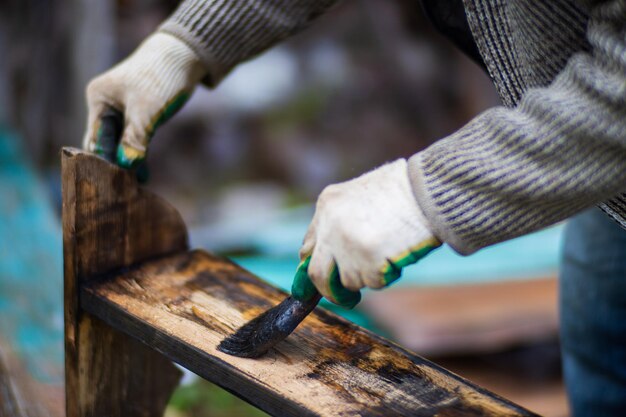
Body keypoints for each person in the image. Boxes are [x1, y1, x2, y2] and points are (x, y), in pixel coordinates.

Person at [82, 1, 626, 415]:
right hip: (608, 189)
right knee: (604, 361)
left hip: (606, 138)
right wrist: (192, 39)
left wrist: (427, 193)